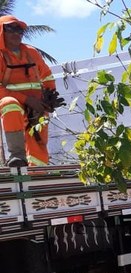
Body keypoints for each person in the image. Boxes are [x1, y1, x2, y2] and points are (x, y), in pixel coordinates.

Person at [0, 16, 61, 167]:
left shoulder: (32, 52)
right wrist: (27, 100)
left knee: (38, 146)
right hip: (16, 105)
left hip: (38, 107)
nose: (17, 33)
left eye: (19, 29)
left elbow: (47, 76)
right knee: (10, 105)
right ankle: (17, 157)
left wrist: (49, 97)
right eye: (11, 28)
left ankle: (38, 178)